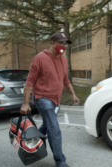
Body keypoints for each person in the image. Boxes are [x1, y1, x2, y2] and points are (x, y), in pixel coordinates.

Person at [20, 32, 79, 167]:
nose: (63, 46)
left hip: (56, 100)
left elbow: (65, 79)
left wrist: (73, 94)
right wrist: (25, 103)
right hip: (43, 98)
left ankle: (33, 142)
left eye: (65, 44)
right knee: (54, 129)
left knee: (48, 125)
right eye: (60, 43)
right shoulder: (40, 58)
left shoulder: (64, 59)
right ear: (52, 43)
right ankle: (60, 161)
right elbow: (29, 81)